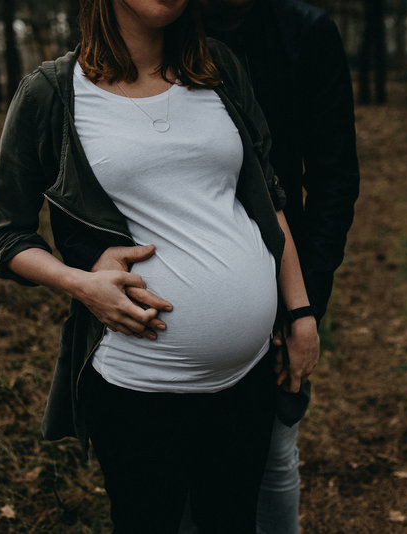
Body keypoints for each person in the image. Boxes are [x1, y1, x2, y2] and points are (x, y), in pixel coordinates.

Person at [0, 0, 320, 531]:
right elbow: (3, 234)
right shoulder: (53, 93)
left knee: (231, 521)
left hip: (248, 376)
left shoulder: (220, 69)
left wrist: (300, 313)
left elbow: (269, 200)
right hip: (137, 385)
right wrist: (81, 284)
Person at [97, 1, 361, 532]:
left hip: (281, 283)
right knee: (188, 481)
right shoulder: (160, 20)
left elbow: (332, 178)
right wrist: (91, 260)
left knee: (274, 454)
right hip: (156, 330)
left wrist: (304, 307)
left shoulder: (304, 33)